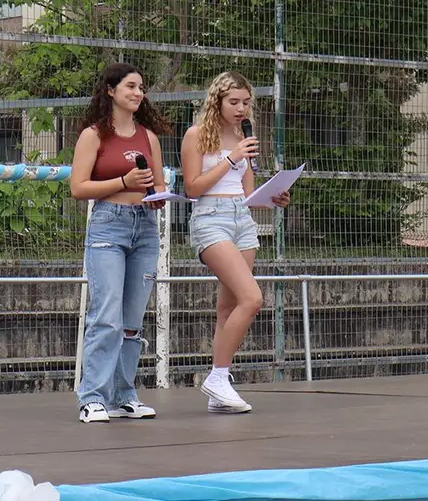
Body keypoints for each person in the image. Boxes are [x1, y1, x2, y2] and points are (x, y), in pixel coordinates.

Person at [180, 71, 290, 414]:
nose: (241, 108)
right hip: (210, 219)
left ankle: (219, 390)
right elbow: (193, 188)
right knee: (252, 297)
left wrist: (274, 198)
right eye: (234, 102)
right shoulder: (197, 135)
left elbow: (247, 193)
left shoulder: (244, 136)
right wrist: (231, 158)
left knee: (227, 309)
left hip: (242, 220)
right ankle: (217, 376)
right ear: (217, 101)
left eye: (246, 102)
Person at [69, 62, 173, 423]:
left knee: (131, 321)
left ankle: (123, 395)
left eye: (141, 88)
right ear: (111, 91)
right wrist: (123, 182)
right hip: (108, 226)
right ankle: (92, 397)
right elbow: (78, 188)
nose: (138, 93)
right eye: (130, 86)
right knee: (106, 316)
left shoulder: (149, 137)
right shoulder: (94, 135)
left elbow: (157, 185)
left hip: (144, 227)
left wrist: (159, 195)